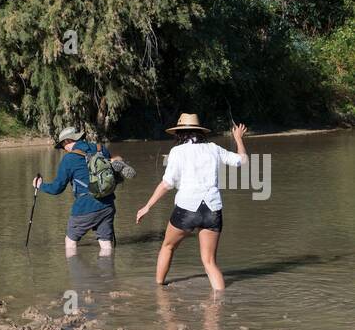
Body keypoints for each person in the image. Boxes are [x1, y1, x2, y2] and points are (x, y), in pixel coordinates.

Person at [135, 113, 248, 291]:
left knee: (168, 246)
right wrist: (238, 139)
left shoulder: (177, 152)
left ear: (180, 134)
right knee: (209, 262)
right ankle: (220, 306)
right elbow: (242, 161)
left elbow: (167, 184)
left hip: (186, 210)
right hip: (212, 210)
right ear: (200, 132)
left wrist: (147, 206)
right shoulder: (213, 148)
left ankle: (159, 291)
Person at [33, 125, 119, 259]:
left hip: (86, 207)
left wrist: (40, 185)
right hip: (108, 204)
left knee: (70, 242)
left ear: (67, 141)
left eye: (62, 146)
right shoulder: (100, 148)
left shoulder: (69, 159)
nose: (64, 150)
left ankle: (78, 277)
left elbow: (57, 188)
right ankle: (107, 277)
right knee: (105, 243)